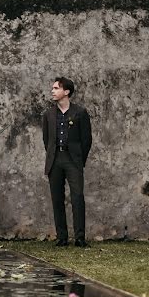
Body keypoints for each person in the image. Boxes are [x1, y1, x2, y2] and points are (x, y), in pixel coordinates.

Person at [42, 77, 92, 247]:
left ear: (67, 92)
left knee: (77, 197)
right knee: (57, 199)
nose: (53, 91)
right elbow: (46, 140)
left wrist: (79, 159)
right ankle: (61, 237)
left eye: (56, 88)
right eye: (53, 88)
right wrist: (52, 155)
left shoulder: (80, 113)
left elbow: (86, 140)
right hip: (55, 160)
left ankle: (80, 238)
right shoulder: (48, 115)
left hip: (73, 161)